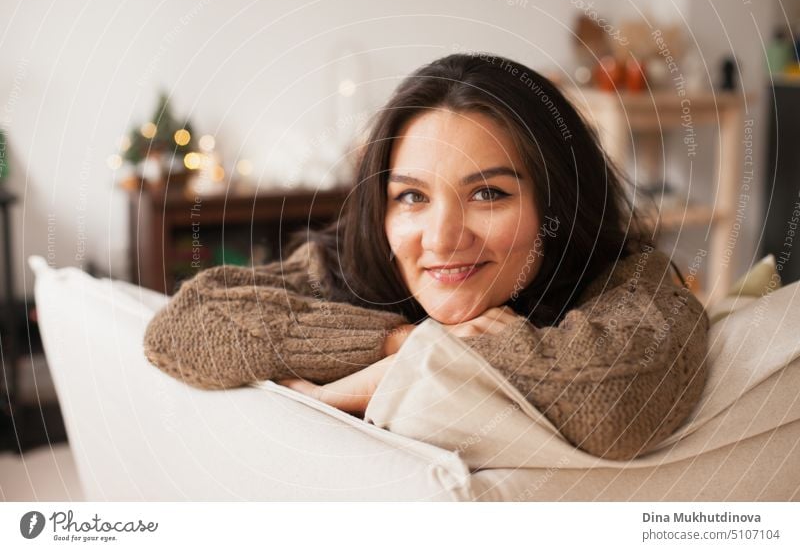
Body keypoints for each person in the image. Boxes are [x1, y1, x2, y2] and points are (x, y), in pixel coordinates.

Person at [143, 52, 708, 461]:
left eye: (489, 193)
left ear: (557, 203)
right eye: (412, 196)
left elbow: (618, 401)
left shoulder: (632, 280)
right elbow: (184, 326)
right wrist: (399, 342)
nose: (440, 238)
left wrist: (342, 391)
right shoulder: (349, 262)